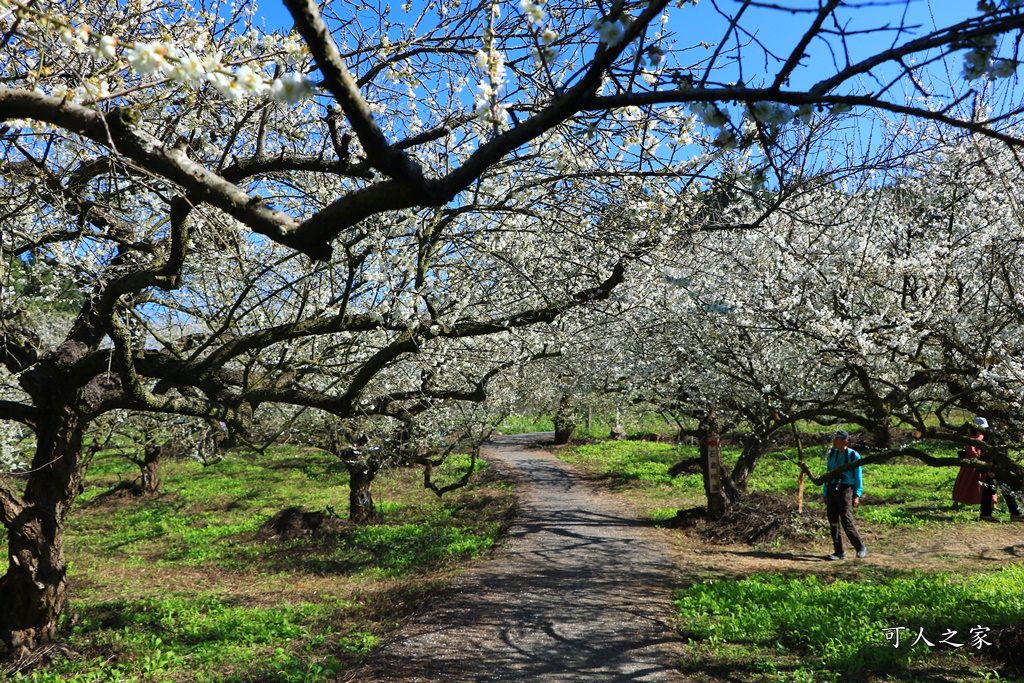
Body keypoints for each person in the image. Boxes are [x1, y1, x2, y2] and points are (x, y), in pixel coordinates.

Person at [822, 430, 867, 560]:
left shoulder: (853, 456)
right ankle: (839, 551)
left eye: (837, 439)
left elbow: (858, 477)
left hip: (846, 489)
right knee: (833, 521)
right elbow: (828, 472)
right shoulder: (832, 454)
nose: (834, 442)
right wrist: (825, 492)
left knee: (846, 520)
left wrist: (857, 494)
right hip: (832, 488)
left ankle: (860, 547)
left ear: (845, 441)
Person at [975, 418, 1024, 523]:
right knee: (1000, 489)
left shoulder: (997, 434)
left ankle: (987, 513)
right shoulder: (991, 435)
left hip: (999, 466)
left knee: (994, 489)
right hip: (995, 467)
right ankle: (1014, 512)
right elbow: (989, 452)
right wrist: (990, 467)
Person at [952, 417, 987, 510]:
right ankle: (957, 500)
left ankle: (984, 502)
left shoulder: (983, 436)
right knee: (965, 480)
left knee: (981, 481)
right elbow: (970, 447)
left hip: (981, 460)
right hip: (970, 460)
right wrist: (975, 455)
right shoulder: (970, 437)